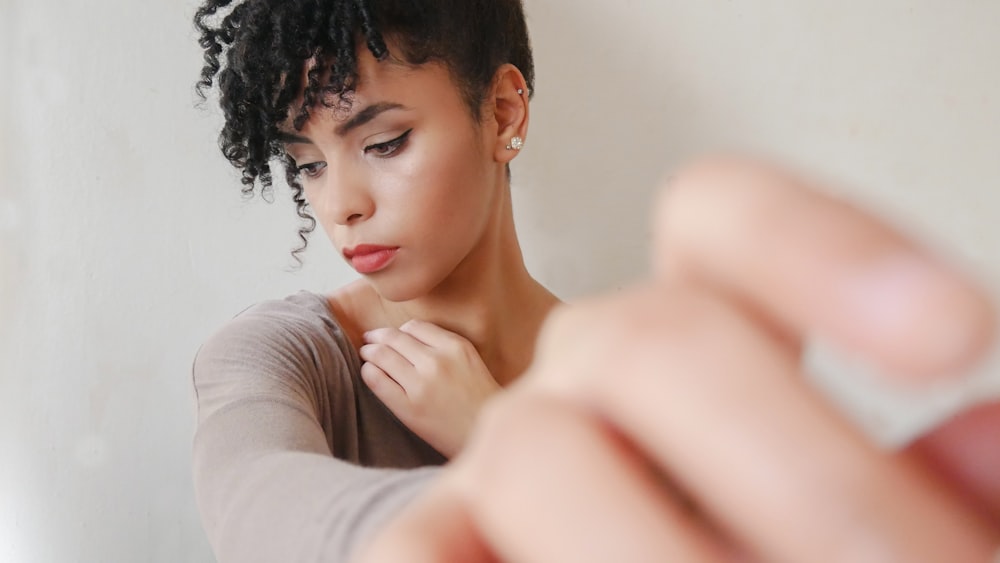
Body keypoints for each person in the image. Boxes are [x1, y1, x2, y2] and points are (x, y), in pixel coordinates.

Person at [189, 1, 1000, 562]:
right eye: (306, 166)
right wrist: (497, 470)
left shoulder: (647, 380)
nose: (342, 206)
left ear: (504, 112)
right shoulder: (276, 358)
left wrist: (492, 423)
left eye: (386, 142)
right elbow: (256, 505)